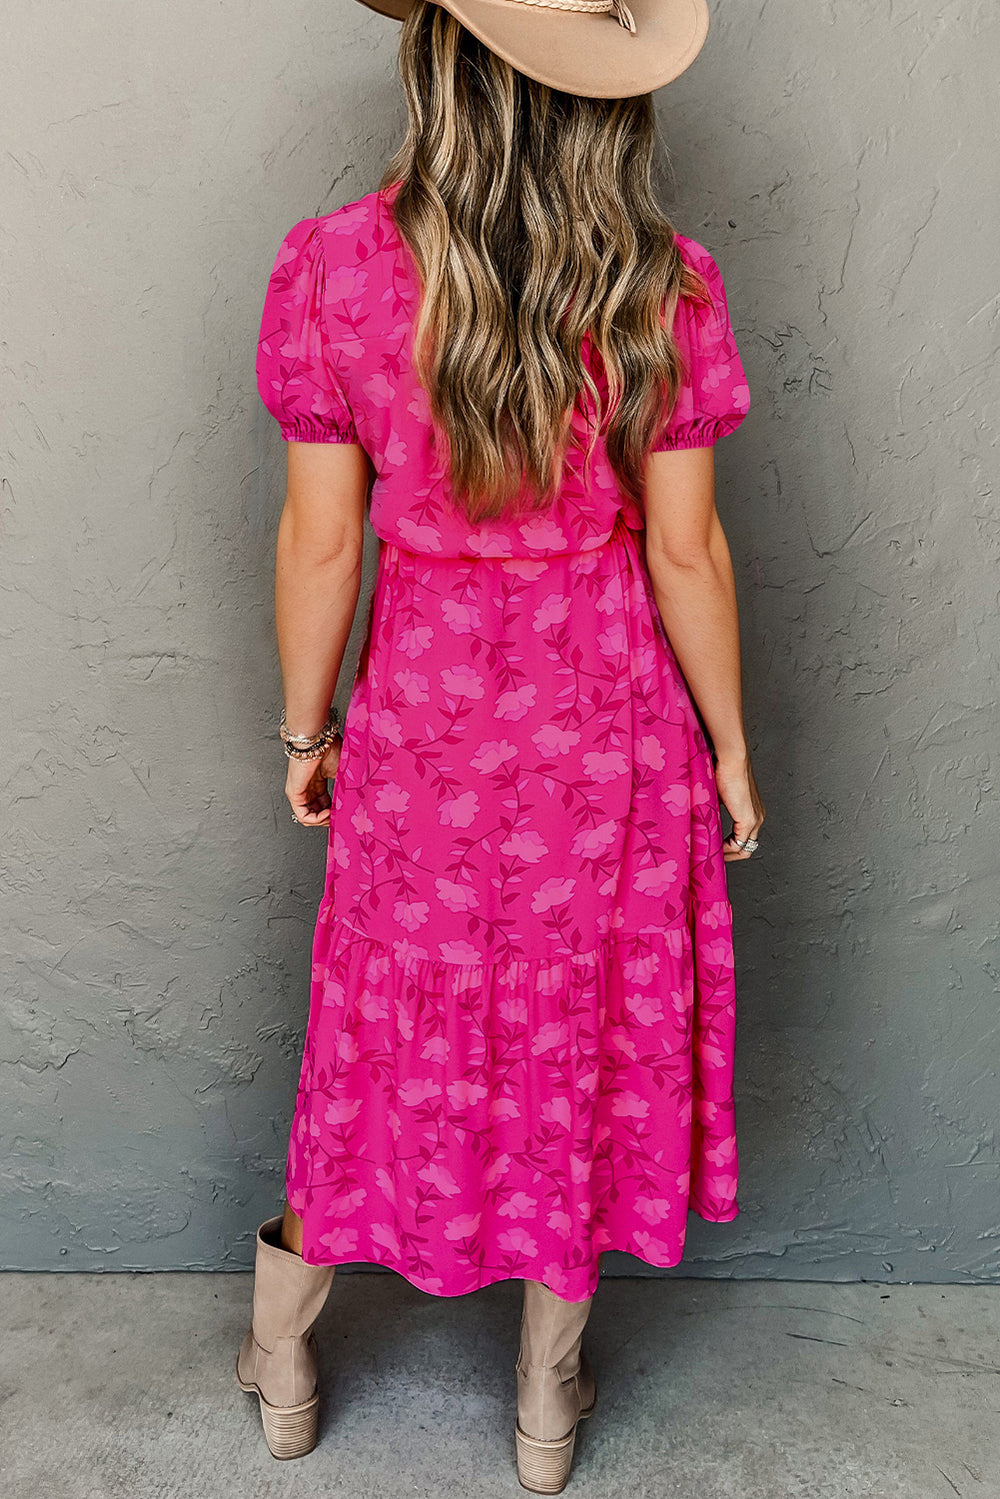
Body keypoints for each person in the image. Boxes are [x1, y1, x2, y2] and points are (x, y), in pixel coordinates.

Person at [237, 0, 765, 1486]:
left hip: (423, 726)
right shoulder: (663, 282)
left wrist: (306, 727)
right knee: (579, 1042)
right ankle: (546, 1402)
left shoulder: (336, 266)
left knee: (374, 1041)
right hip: (608, 735)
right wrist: (729, 747)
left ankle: (284, 1362)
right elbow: (685, 552)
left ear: (437, 67)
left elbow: (322, 542)